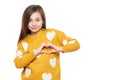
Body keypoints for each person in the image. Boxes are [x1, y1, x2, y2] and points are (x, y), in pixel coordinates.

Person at [14, 4, 80, 80]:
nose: (34, 24)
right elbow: (18, 63)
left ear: (43, 21)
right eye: (30, 20)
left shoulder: (53, 34)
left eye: (37, 20)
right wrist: (35, 53)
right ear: (25, 22)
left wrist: (60, 48)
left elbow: (76, 43)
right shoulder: (23, 42)